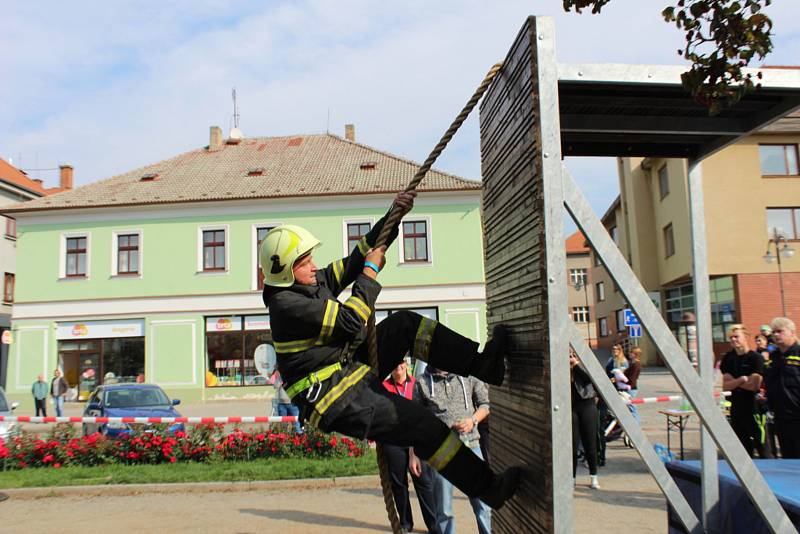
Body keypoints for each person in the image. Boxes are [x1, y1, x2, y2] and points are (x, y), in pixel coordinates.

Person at [260, 190, 520, 512]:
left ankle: (484, 366)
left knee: (405, 325)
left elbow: (359, 256)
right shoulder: (286, 305)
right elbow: (351, 321)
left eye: (311, 257)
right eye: (304, 261)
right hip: (332, 398)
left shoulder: (311, 283)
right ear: (285, 270)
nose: (314, 265)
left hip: (348, 370)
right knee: (425, 427)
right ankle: (488, 489)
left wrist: (394, 215)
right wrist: (370, 274)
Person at [415, 366, 491, 534]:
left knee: (483, 504)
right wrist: (413, 454)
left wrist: (472, 421)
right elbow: (417, 420)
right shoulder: (421, 382)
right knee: (444, 510)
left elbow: (484, 405)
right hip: (441, 450)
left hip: (471, 445)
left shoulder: (469, 375)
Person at [382, 358, 440, 534]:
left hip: (416, 440)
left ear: (407, 365)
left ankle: (434, 524)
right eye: (394, 364)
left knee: (423, 481)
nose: (398, 367)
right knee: (398, 484)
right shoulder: (384, 387)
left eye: (401, 363)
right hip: (394, 441)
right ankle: (406, 523)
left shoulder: (416, 384)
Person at [720, 324, 772, 458]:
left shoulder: (755, 358)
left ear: (745, 337)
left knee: (762, 446)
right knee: (742, 447)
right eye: (731, 337)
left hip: (754, 407)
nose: (733, 340)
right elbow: (725, 386)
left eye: (736, 336)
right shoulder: (728, 359)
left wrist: (735, 382)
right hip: (736, 407)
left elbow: (754, 385)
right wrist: (742, 379)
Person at [764, 317, 800, 458]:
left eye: (780, 331)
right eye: (774, 332)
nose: (776, 335)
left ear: (792, 332)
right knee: (787, 458)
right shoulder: (773, 357)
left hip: (798, 416)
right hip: (780, 417)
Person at [570, 351, 600, 489]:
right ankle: (572, 478)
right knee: (572, 445)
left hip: (587, 405)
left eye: (572, 354)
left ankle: (594, 476)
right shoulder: (559, 367)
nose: (570, 357)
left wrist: (576, 365)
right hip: (570, 407)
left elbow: (590, 379)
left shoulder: (584, 365)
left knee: (590, 442)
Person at [625, 347, 642, 424]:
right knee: (631, 406)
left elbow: (633, 378)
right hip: (631, 387)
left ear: (635, 354)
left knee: (632, 407)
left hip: (631, 388)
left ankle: (636, 424)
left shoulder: (636, 364)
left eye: (631, 352)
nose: (630, 353)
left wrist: (624, 381)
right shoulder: (633, 363)